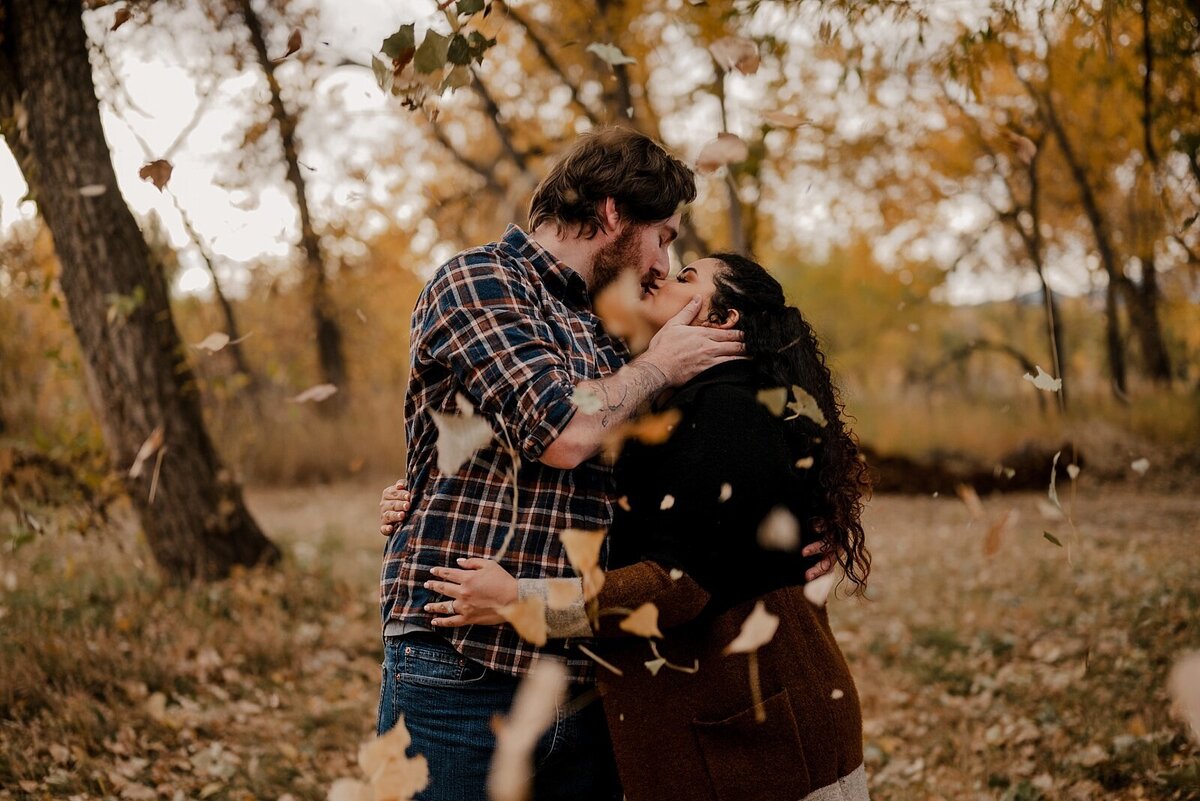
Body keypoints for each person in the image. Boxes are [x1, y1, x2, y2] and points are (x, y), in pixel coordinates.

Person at [395, 253, 872, 801]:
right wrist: (415, 493)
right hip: (735, 726)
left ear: (723, 320)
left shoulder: (726, 411)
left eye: (686, 277)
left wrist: (518, 602)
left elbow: (678, 585)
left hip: (759, 747)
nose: (663, 275)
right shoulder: (685, 401)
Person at [378, 127, 755, 801]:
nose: (664, 262)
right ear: (612, 212)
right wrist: (659, 365)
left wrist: (798, 518)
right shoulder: (480, 280)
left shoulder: (604, 323)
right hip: (463, 668)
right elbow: (565, 432)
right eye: (662, 235)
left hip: (580, 671)